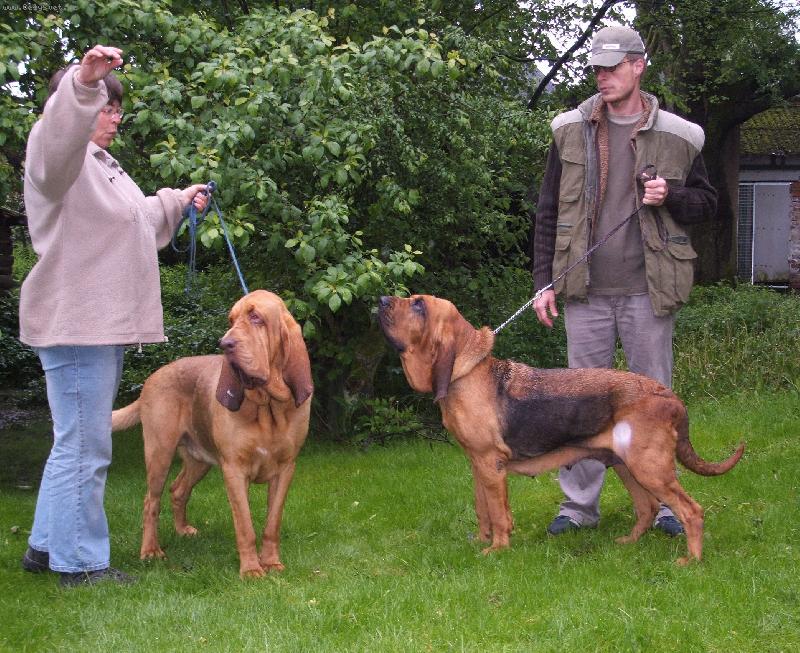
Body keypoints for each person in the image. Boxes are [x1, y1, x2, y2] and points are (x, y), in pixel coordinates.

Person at [19, 44, 209, 587]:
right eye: (104, 105)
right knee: (86, 444)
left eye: (116, 106)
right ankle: (80, 564)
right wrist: (83, 80)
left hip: (94, 324)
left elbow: (136, 221)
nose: (115, 115)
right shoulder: (55, 156)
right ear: (71, 105)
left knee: (72, 440)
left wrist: (179, 199)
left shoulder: (101, 167)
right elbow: (57, 137)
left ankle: (44, 547)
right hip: (77, 324)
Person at [531, 26, 717, 537]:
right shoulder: (568, 129)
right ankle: (578, 507)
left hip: (648, 292)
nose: (602, 76)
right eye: (597, 68)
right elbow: (547, 211)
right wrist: (542, 282)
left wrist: (671, 196)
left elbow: (710, 205)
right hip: (583, 291)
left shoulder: (681, 135)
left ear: (639, 66)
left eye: (613, 67)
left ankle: (663, 505)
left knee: (653, 405)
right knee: (577, 406)